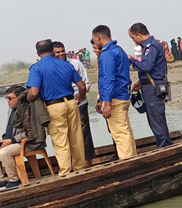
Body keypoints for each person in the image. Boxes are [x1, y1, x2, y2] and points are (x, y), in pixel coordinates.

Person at [26, 39, 86, 175]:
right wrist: (81, 97)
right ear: (52, 51)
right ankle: (80, 168)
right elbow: (82, 86)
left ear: (37, 53)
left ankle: (65, 171)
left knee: (60, 140)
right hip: (71, 103)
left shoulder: (37, 68)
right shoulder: (66, 65)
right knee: (76, 137)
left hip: (54, 106)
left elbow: (34, 92)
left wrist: (27, 97)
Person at [91, 25, 138, 159]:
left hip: (115, 97)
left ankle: (128, 164)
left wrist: (107, 103)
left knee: (120, 134)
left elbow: (108, 79)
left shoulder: (107, 54)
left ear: (98, 38)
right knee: (126, 131)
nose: (94, 43)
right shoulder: (119, 50)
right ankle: (133, 158)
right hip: (123, 95)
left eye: (94, 40)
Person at [127, 23, 172, 148]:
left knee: (157, 119)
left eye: (133, 38)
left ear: (139, 35)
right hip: (148, 86)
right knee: (154, 119)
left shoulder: (151, 46)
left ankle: (164, 148)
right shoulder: (148, 46)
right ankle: (163, 145)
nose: (133, 41)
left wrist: (131, 59)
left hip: (153, 88)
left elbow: (147, 66)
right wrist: (141, 82)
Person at [52, 41, 95, 165]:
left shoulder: (75, 64)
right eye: (57, 52)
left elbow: (85, 84)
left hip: (79, 103)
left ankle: (88, 162)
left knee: (84, 134)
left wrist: (80, 97)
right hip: (63, 105)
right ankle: (72, 163)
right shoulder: (53, 67)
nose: (61, 54)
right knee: (66, 136)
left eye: (62, 51)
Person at [1, 86, 44, 189]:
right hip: (12, 141)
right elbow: (10, 129)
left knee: (4, 153)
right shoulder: (11, 111)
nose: (8, 101)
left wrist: (12, 140)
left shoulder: (28, 110)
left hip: (28, 143)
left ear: (19, 98)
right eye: (7, 98)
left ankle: (14, 180)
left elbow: (32, 132)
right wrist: (5, 138)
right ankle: (2, 180)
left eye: (10, 98)